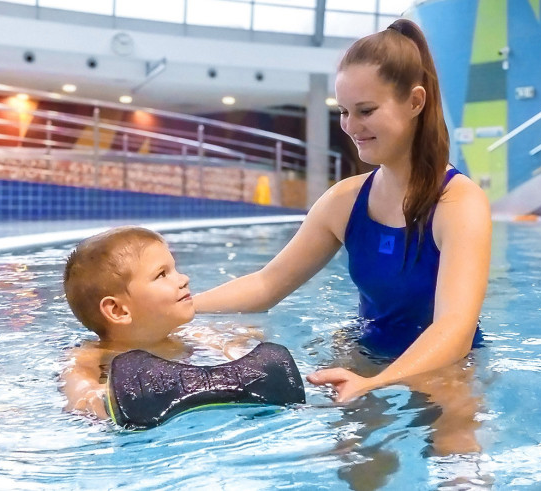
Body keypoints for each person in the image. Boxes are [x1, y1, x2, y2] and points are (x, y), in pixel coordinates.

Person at [194, 19, 492, 405]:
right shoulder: (344, 201)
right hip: (365, 356)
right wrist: (180, 309)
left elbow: (454, 328)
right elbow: (267, 285)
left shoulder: (458, 203)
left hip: (446, 365)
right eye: (344, 111)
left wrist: (377, 383)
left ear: (415, 102)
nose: (351, 126)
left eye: (365, 110)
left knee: (454, 437)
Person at [60, 226, 260, 419]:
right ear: (118, 310)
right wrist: (101, 398)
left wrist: (240, 346)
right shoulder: (91, 357)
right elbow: (81, 396)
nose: (184, 279)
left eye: (175, 269)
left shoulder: (190, 336)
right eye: (162, 274)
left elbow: (238, 356)